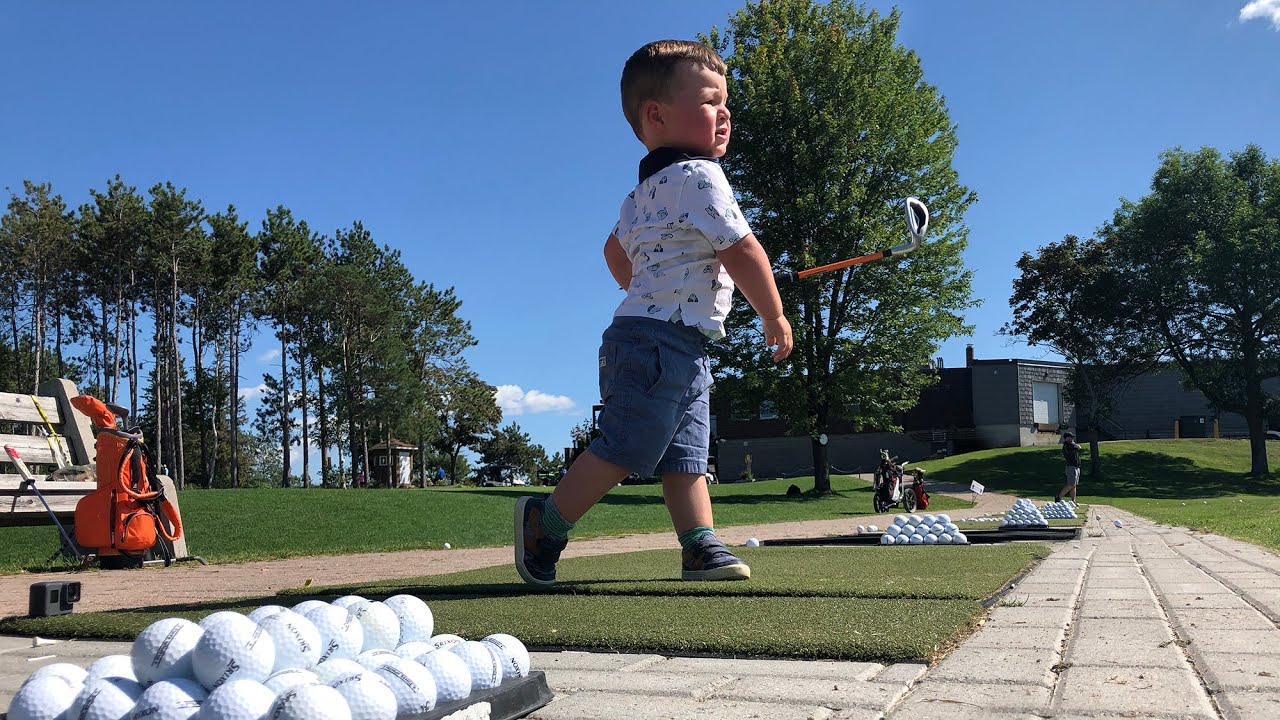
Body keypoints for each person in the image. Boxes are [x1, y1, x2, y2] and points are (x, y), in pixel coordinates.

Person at [515, 39, 793, 587]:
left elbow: (613, 254)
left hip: (671, 341)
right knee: (628, 446)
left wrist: (643, 282)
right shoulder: (700, 176)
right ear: (657, 114)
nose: (725, 114)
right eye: (711, 101)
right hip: (658, 341)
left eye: (725, 103)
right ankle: (544, 524)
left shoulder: (640, 194)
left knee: (687, 454)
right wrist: (773, 314)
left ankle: (698, 544)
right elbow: (742, 250)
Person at [1055, 431, 1081, 504]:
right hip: (1071, 467)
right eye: (1070, 437)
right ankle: (1058, 497)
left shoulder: (1071, 444)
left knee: (1074, 485)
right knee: (1071, 484)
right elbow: (1078, 447)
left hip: (1076, 466)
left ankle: (1073, 501)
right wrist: (1076, 445)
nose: (1072, 438)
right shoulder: (1067, 445)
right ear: (1066, 438)